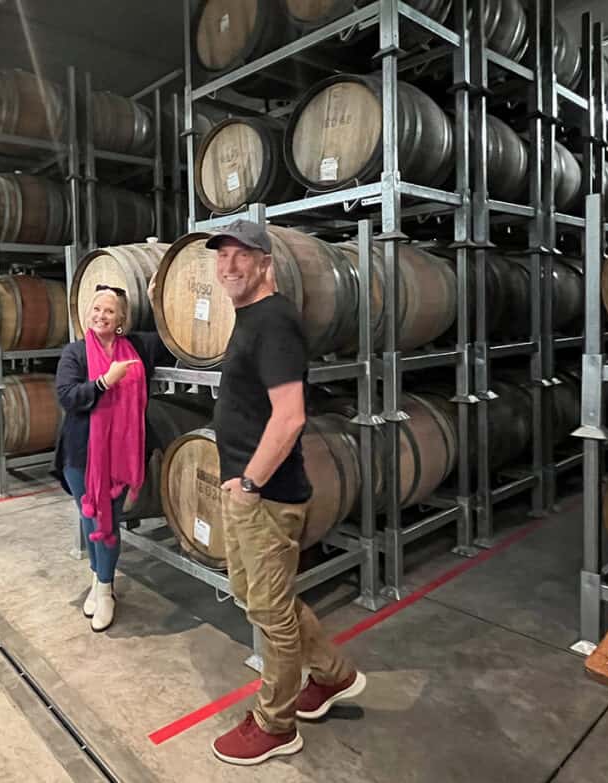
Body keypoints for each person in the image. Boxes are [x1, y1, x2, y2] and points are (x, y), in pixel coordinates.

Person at [208, 220, 366, 766]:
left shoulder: (273, 321)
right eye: (221, 256)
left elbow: (290, 416)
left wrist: (250, 483)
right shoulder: (252, 317)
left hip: (267, 497)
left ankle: (276, 724)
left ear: (265, 262)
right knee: (258, 597)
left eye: (240, 256)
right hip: (250, 492)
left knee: (271, 613)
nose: (228, 265)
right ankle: (334, 676)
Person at [54, 283, 169, 632]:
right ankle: (98, 581)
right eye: (96, 309)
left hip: (122, 458)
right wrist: (104, 382)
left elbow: (173, 338)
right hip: (80, 454)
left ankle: (105, 589)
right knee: (91, 523)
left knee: (110, 525)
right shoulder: (75, 353)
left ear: (121, 319)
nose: (101, 315)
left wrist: (158, 299)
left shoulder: (137, 348)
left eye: (109, 311)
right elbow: (67, 396)